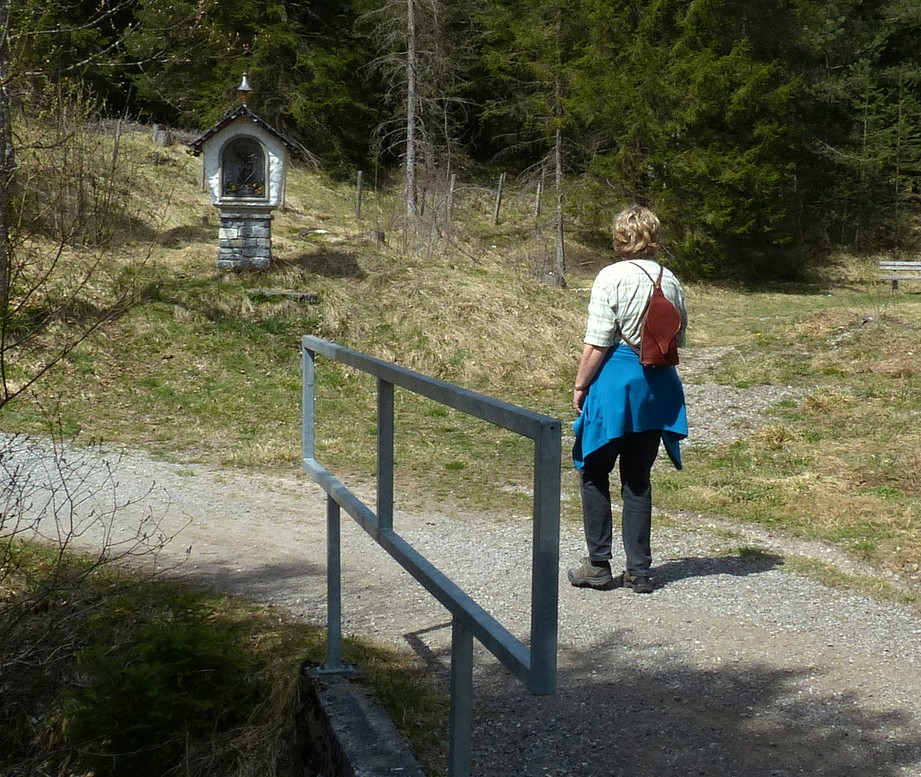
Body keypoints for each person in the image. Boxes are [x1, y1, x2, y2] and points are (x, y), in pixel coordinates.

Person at [567, 205, 688, 594]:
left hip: (617, 383)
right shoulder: (670, 280)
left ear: (620, 237)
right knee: (638, 478)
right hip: (657, 386)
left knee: (593, 468)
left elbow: (599, 339)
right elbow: (678, 339)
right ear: (654, 236)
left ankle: (599, 564)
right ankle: (640, 570)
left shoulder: (611, 277)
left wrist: (580, 384)